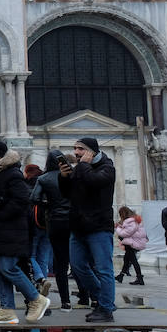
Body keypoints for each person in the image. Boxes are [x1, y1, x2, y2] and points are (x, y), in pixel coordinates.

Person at [0, 140, 50, 324]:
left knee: (8, 267)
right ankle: (7, 309)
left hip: (9, 230)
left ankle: (36, 299)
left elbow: (21, 201)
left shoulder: (12, 174)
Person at [59, 137, 117, 322]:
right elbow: (67, 194)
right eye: (75, 148)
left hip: (99, 226)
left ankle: (106, 308)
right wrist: (64, 177)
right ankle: (103, 298)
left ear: (92, 151)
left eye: (81, 149)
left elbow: (94, 182)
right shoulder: (80, 169)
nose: (76, 153)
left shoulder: (107, 167)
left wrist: (83, 166)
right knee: (77, 266)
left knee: (104, 268)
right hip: (78, 226)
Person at [33, 150, 82, 310]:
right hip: (73, 221)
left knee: (60, 263)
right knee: (78, 261)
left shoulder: (43, 178)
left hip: (54, 221)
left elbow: (34, 198)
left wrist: (49, 204)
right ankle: (87, 296)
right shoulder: (73, 175)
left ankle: (65, 301)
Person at [114, 205, 147, 285]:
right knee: (126, 260)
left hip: (132, 243)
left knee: (133, 261)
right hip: (132, 242)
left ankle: (139, 278)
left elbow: (126, 233)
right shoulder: (133, 220)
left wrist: (117, 228)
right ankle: (121, 276)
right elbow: (130, 231)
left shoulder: (130, 221)